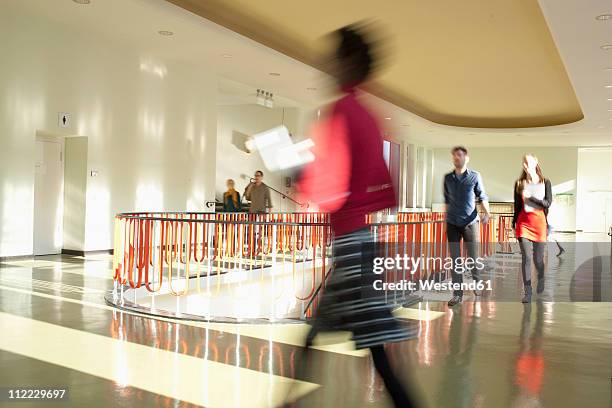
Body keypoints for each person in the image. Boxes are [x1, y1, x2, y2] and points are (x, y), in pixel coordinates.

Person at [295, 24, 418, 408]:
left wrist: (302, 178)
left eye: (335, 56)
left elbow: (328, 186)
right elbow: (380, 184)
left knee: (374, 350)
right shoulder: (367, 114)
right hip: (359, 243)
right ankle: (287, 399)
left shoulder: (342, 112)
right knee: (321, 336)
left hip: (350, 248)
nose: (328, 63)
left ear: (347, 62)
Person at [444, 146, 491, 307]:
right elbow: (447, 201)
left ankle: (477, 282)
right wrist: (446, 218)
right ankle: (457, 295)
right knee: (455, 259)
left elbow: (482, 196)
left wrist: (487, 213)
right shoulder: (448, 178)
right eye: (454, 156)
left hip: (470, 223)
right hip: (452, 223)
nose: (457, 158)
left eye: (460, 155)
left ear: (466, 158)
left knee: (473, 257)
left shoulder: (475, 176)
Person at [513, 154, 551, 303]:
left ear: (536, 162)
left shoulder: (545, 182)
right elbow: (517, 206)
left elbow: (547, 203)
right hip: (523, 224)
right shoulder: (519, 183)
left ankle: (541, 277)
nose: (525, 164)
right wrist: (514, 223)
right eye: (524, 162)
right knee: (527, 258)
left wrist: (530, 198)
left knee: (538, 260)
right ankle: (527, 292)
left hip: (539, 224)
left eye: (528, 162)